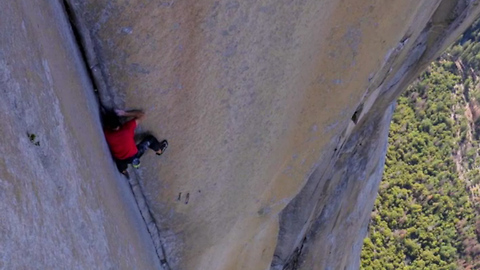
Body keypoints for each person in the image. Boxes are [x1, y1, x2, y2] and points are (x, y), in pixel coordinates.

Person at [103, 109, 168, 177]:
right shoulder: (127, 128)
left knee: (120, 163)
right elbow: (142, 115)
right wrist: (124, 113)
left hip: (120, 159)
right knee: (150, 139)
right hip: (133, 156)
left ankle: (123, 171)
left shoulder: (107, 134)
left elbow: (108, 127)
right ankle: (159, 150)